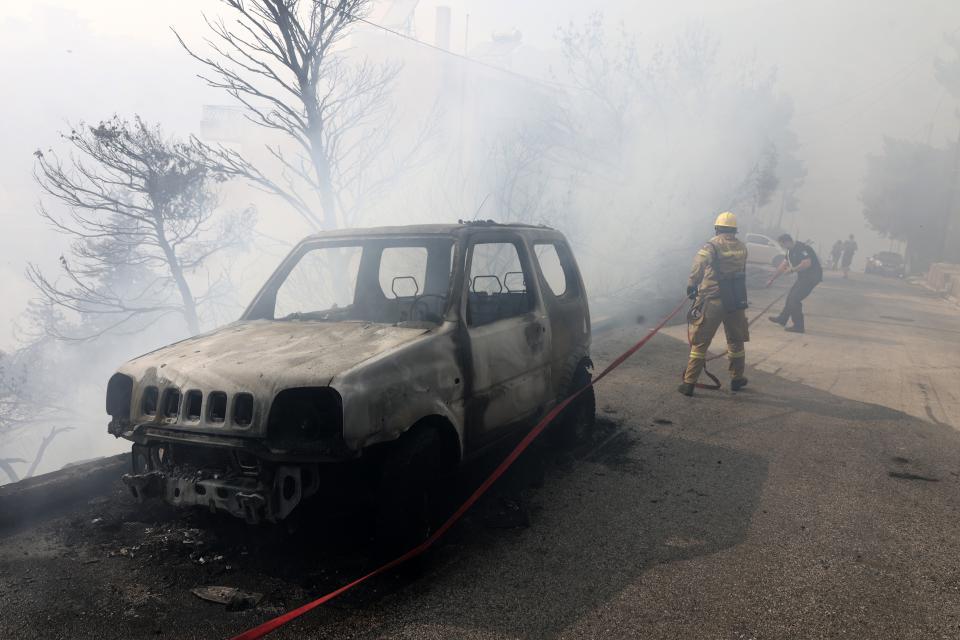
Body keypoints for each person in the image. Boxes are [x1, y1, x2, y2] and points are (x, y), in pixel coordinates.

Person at [678, 211, 750, 397]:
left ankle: (689, 383)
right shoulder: (742, 247)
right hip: (735, 300)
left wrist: (692, 285)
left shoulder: (712, 245)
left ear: (717, 228)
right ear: (735, 229)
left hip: (714, 300)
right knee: (736, 340)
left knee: (700, 343)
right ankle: (737, 378)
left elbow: (698, 264)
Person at [768, 234, 823, 333]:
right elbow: (783, 266)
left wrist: (792, 270)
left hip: (812, 277)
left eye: (782, 245)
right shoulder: (789, 252)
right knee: (790, 297)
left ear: (787, 242)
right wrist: (772, 279)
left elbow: (807, 263)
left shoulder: (801, 248)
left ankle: (798, 326)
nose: (782, 247)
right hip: (803, 278)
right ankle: (782, 319)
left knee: (794, 299)